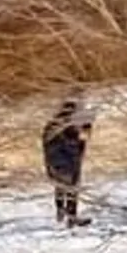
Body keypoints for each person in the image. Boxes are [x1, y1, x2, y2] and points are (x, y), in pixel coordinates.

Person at [41, 97, 91, 228]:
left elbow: (46, 143)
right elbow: (75, 144)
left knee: (61, 185)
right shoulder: (69, 128)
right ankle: (71, 216)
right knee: (72, 187)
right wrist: (83, 137)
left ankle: (61, 210)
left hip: (53, 162)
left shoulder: (51, 125)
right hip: (68, 162)